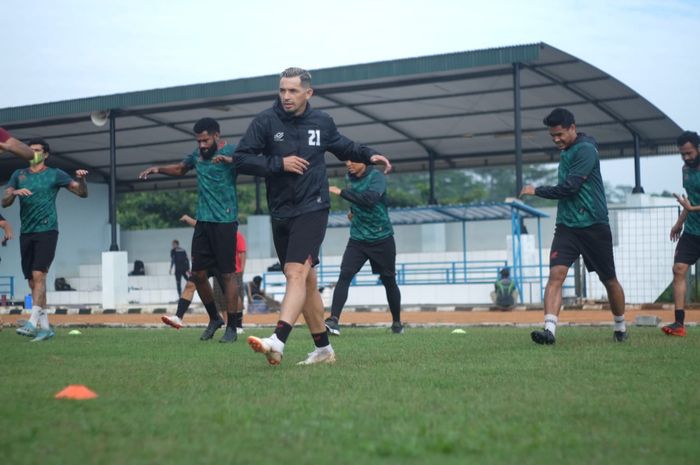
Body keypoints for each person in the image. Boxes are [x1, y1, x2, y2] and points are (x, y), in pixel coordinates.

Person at [220, 67, 392, 365]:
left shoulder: (322, 122)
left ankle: (278, 340)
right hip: (281, 211)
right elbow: (242, 160)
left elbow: (343, 146)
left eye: (293, 91)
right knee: (308, 281)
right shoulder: (265, 121)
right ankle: (324, 350)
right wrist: (279, 163)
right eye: (282, 90)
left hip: (313, 207)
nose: (286, 96)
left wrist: (369, 154)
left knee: (295, 273)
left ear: (308, 93)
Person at [520, 108, 627, 344]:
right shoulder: (567, 150)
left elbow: (570, 188)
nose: (556, 139)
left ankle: (620, 327)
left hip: (593, 225)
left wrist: (536, 190)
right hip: (567, 226)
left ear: (572, 128)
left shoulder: (586, 150)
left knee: (609, 280)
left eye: (559, 134)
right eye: (552, 136)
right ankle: (549, 331)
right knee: (556, 274)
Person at [140, 118, 241, 343]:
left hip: (225, 221)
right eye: (198, 141)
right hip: (203, 222)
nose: (202, 145)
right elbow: (180, 169)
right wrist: (158, 169)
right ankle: (215, 318)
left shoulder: (232, 151)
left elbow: (250, 163)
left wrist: (229, 160)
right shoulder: (196, 155)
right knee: (198, 274)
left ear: (216, 136)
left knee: (227, 275)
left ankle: (233, 327)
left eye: (205, 140)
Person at [2, 138, 88, 341]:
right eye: (30, 150)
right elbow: (4, 203)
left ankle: (32, 322)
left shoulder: (55, 174)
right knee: (33, 282)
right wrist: (13, 193)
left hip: (47, 230)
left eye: (38, 151)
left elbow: (82, 193)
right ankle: (47, 327)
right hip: (27, 233)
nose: (33, 154)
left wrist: (82, 179)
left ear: (46, 154)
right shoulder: (18, 175)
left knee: (39, 275)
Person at [324, 159, 402, 336]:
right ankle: (333, 320)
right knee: (345, 275)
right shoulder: (348, 177)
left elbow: (370, 199)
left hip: (382, 238)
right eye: (346, 161)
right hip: (358, 239)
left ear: (365, 163)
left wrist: (341, 192)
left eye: (353, 161)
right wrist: (353, 212)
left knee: (389, 281)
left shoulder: (377, 177)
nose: (348, 164)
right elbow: (356, 202)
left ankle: (397, 323)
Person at [665, 130, 700, 337]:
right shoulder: (685, 170)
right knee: (679, 269)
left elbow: (692, 204)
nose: (686, 158)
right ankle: (679, 323)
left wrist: (694, 208)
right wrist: (679, 222)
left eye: (689, 153)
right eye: (683, 154)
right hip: (693, 231)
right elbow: (689, 200)